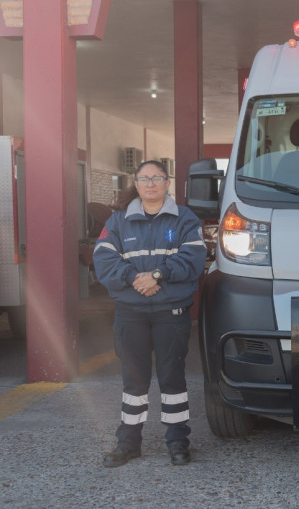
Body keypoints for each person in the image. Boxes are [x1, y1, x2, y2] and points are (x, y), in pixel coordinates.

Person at [93, 160, 206, 467]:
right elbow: (103, 261)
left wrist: (157, 275)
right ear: (136, 184)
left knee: (173, 379)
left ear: (167, 183)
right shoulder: (118, 221)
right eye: (145, 179)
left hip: (172, 312)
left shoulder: (185, 218)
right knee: (134, 381)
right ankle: (128, 444)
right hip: (131, 313)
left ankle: (178, 442)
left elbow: (194, 259)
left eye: (157, 178)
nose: (151, 183)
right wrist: (134, 278)